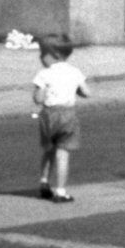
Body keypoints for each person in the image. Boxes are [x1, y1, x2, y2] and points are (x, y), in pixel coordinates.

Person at [31, 38, 88, 202]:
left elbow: (38, 99)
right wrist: (77, 91)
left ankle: (44, 183)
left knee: (48, 150)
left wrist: (41, 91)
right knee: (62, 154)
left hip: (49, 116)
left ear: (54, 55)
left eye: (43, 54)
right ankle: (61, 192)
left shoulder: (44, 74)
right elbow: (87, 92)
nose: (40, 57)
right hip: (68, 115)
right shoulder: (75, 72)